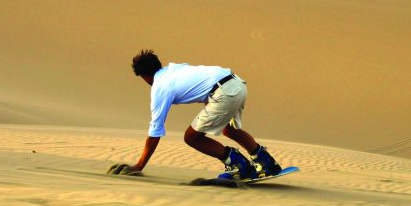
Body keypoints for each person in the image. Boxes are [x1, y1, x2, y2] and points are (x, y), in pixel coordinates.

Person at [110, 49, 283, 180]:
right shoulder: (174, 69)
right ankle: (267, 163)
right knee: (228, 130)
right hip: (237, 83)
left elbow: (155, 130)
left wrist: (139, 165)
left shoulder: (160, 87)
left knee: (191, 137)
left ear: (145, 76)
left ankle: (239, 165)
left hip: (223, 93)